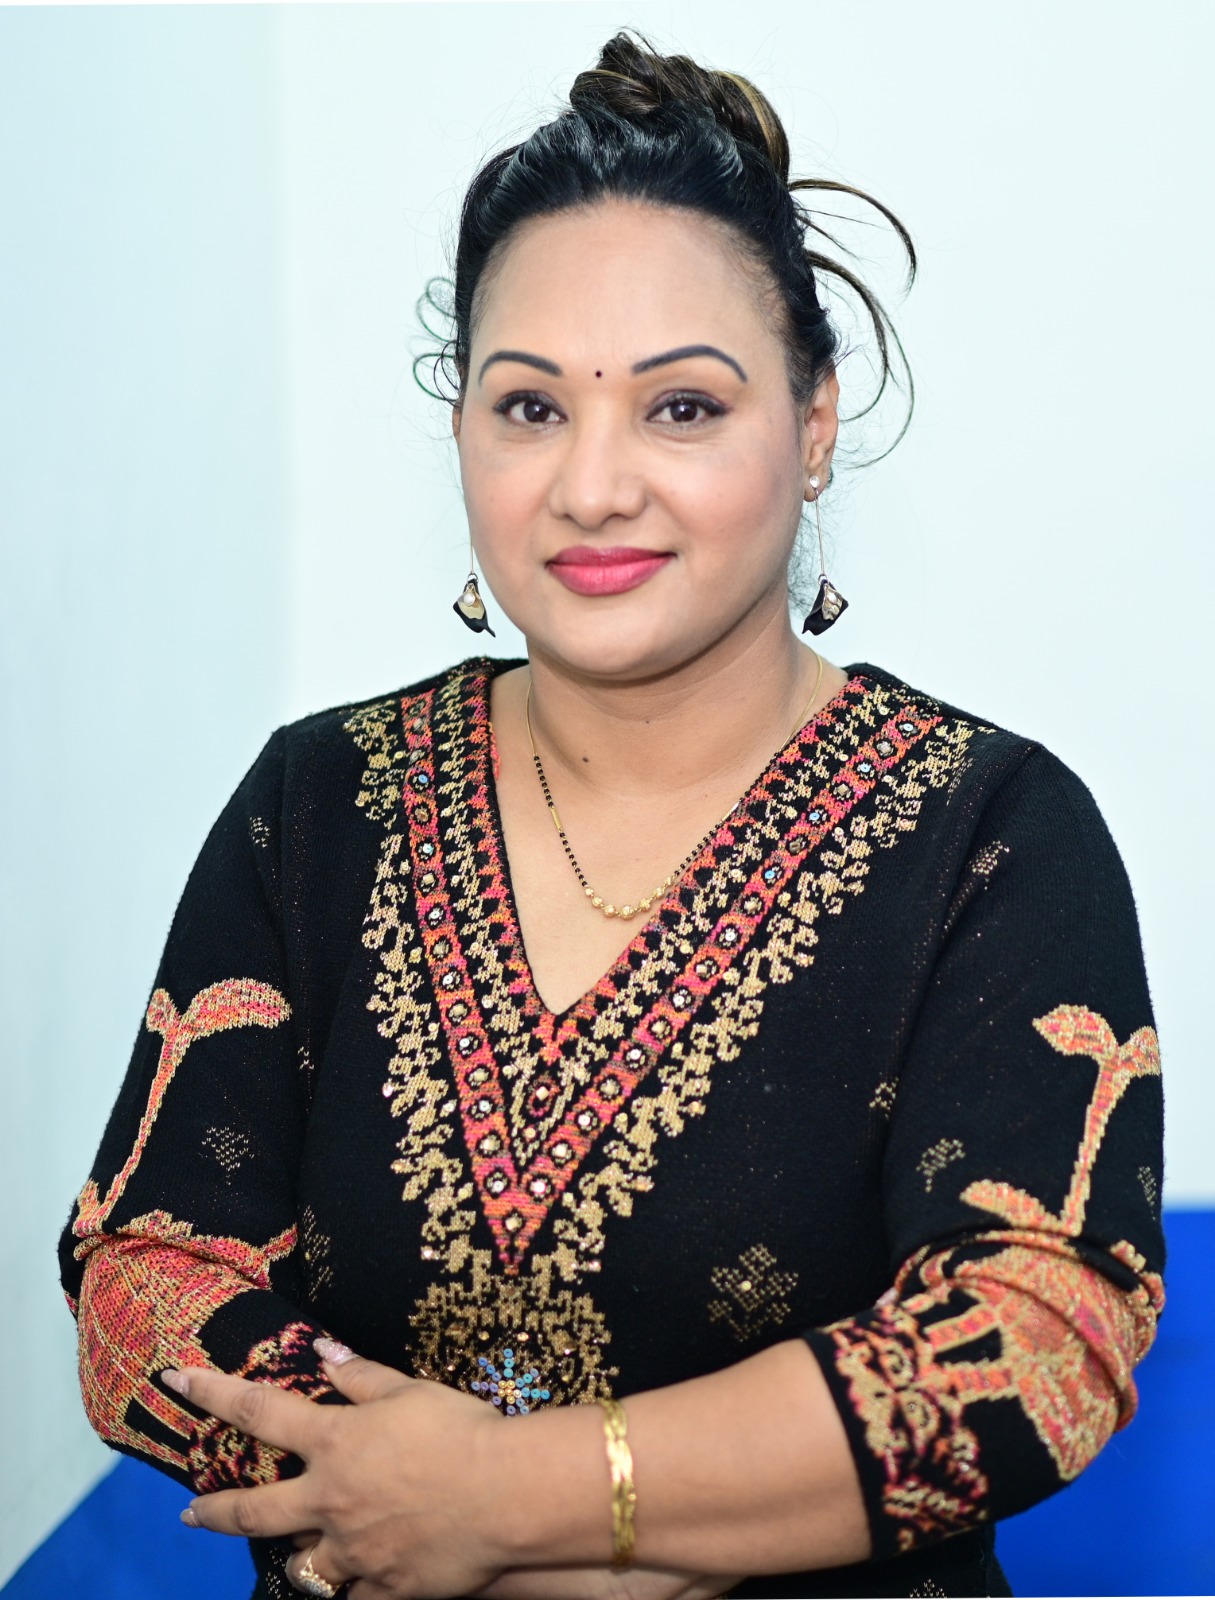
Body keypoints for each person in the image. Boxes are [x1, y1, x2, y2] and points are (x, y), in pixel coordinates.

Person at [60, 32, 1165, 1600]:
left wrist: (519, 1505)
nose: (591, 487)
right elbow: (146, 1274)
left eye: (682, 408)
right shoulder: (321, 805)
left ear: (815, 423)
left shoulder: (987, 833)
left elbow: (1039, 1337)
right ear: (461, 427)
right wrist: (398, 1503)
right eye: (529, 407)